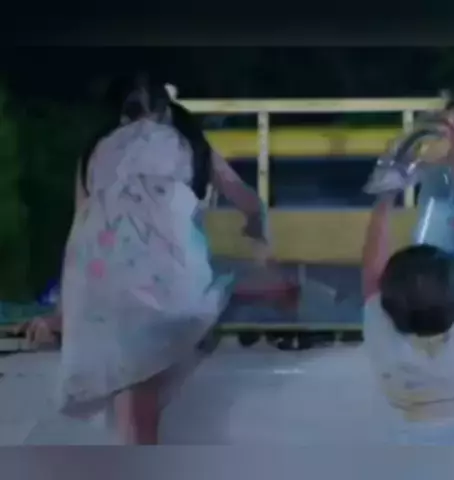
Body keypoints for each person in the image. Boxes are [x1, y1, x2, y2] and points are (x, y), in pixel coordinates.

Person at [24, 77, 271, 445]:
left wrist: (62, 312)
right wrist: (257, 234)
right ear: (166, 110)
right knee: (142, 398)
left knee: (134, 402)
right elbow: (247, 200)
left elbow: (80, 237)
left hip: (102, 292)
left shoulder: (95, 150)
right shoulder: (189, 143)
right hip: (169, 287)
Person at [362, 121, 454, 445]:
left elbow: (371, 273)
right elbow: (372, 276)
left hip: (406, 443)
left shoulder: (385, 339)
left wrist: (385, 194)